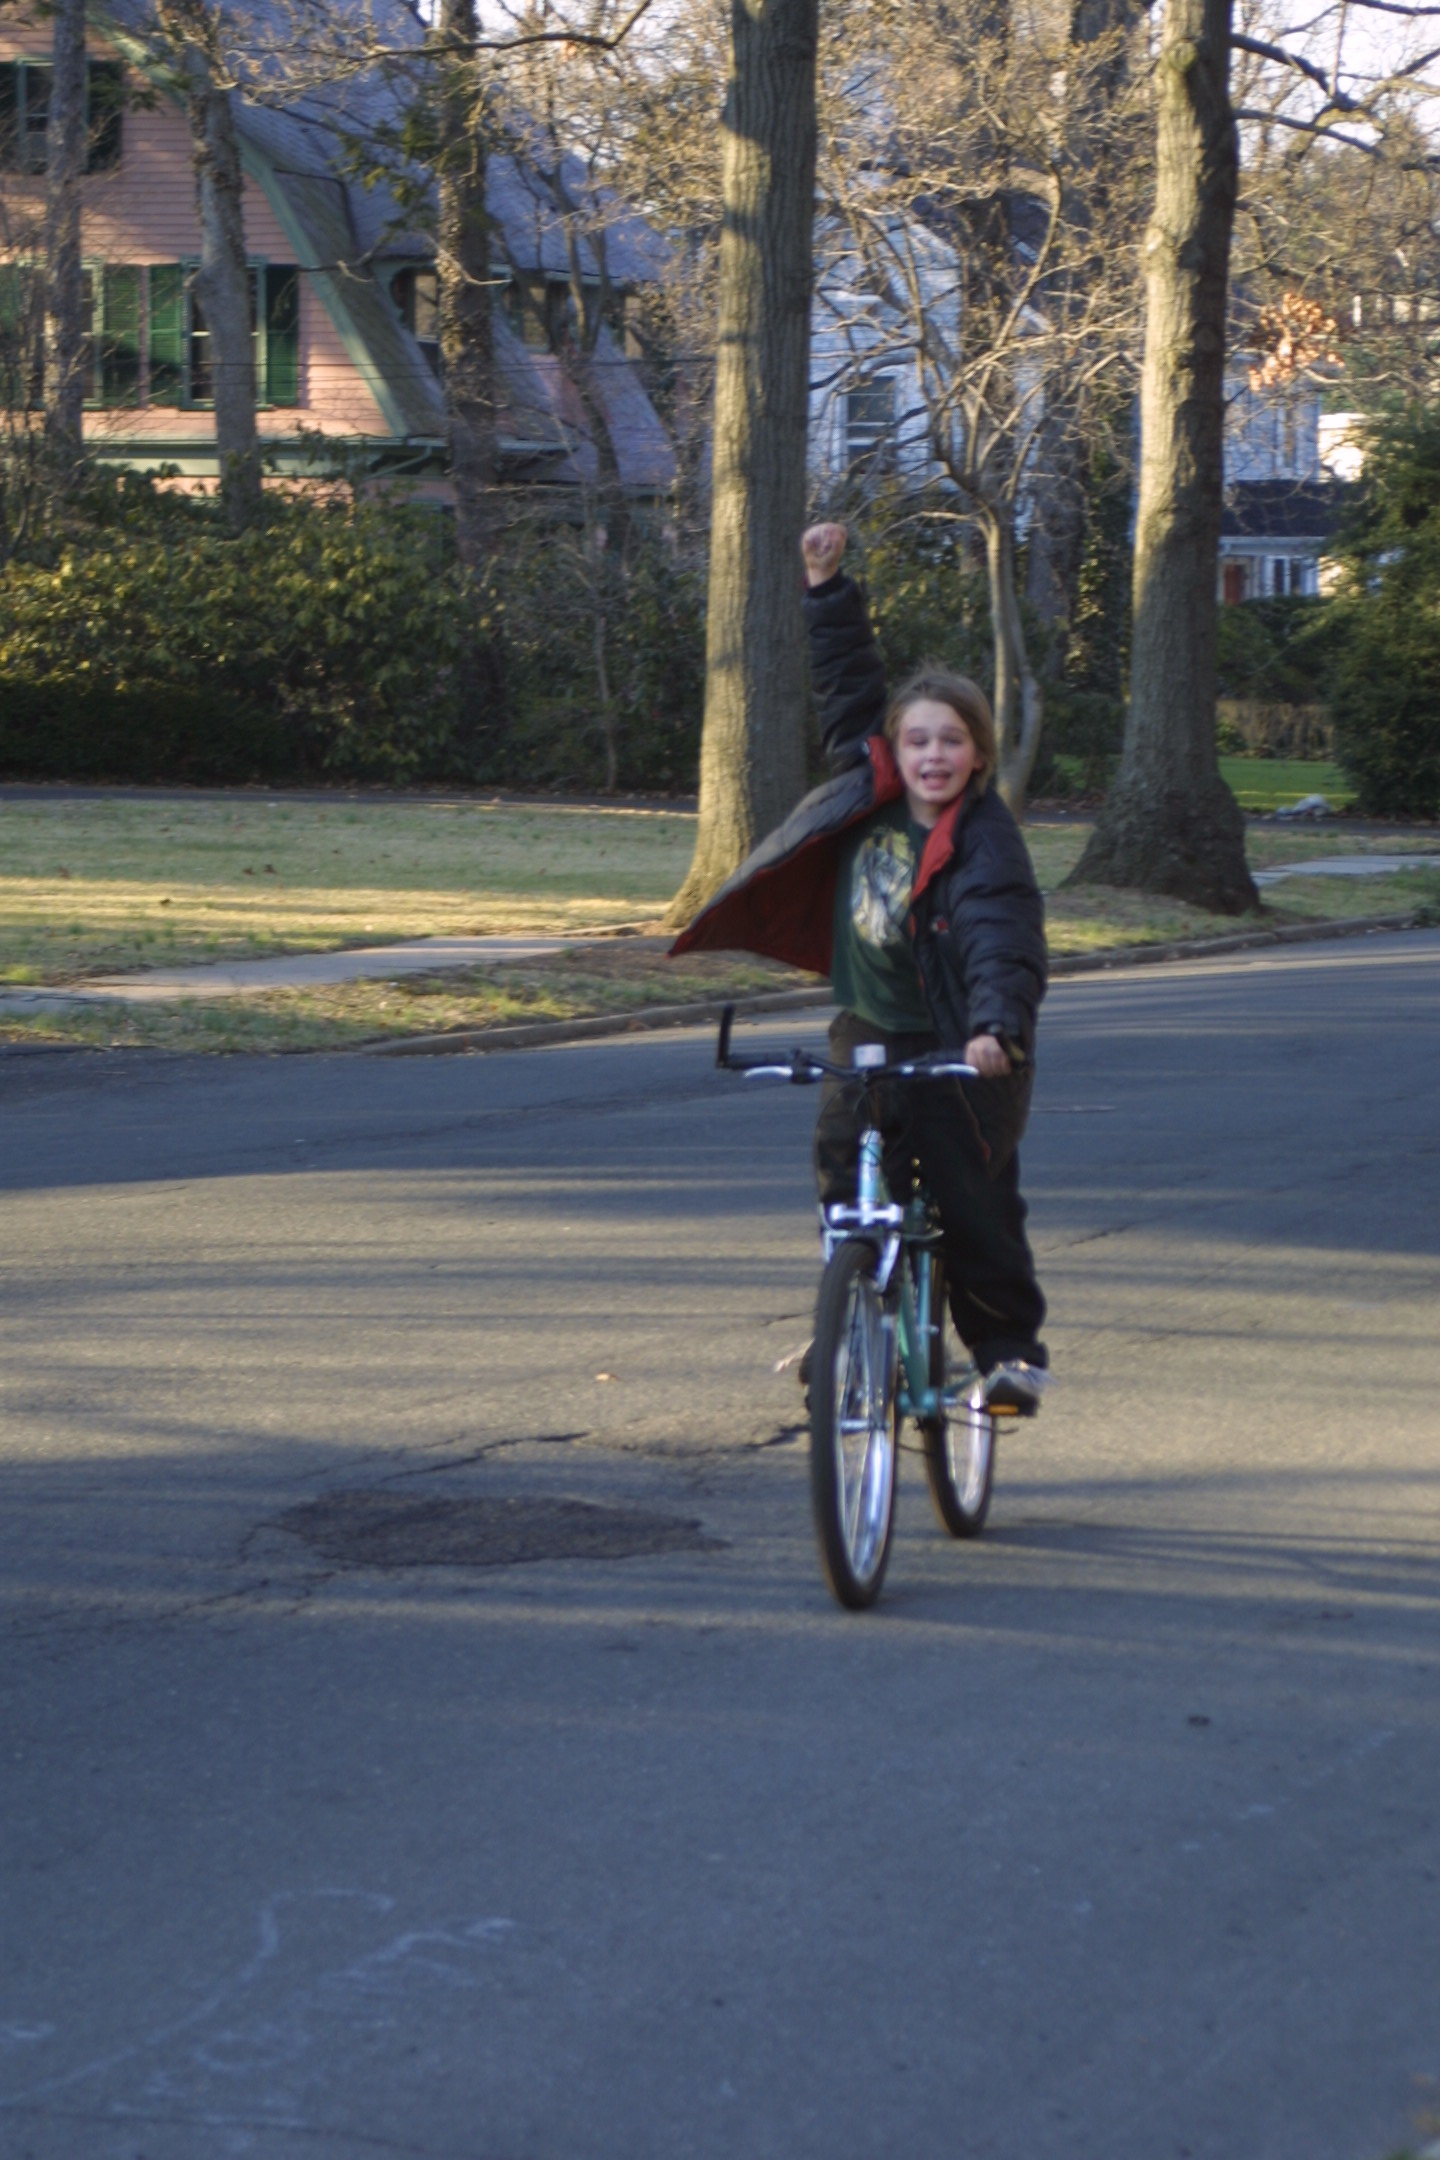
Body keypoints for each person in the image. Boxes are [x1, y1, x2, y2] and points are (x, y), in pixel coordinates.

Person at [670, 521, 1049, 1412]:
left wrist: (996, 1028)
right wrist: (825, 584)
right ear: (895, 748)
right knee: (844, 1169)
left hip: (959, 1041)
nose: (932, 756)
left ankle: (1006, 1356)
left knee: (973, 1199)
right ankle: (854, 1312)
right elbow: (847, 683)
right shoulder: (867, 791)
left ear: (978, 753)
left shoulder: (986, 840)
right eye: (917, 740)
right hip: (871, 1026)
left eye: (951, 741)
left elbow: (1002, 936)